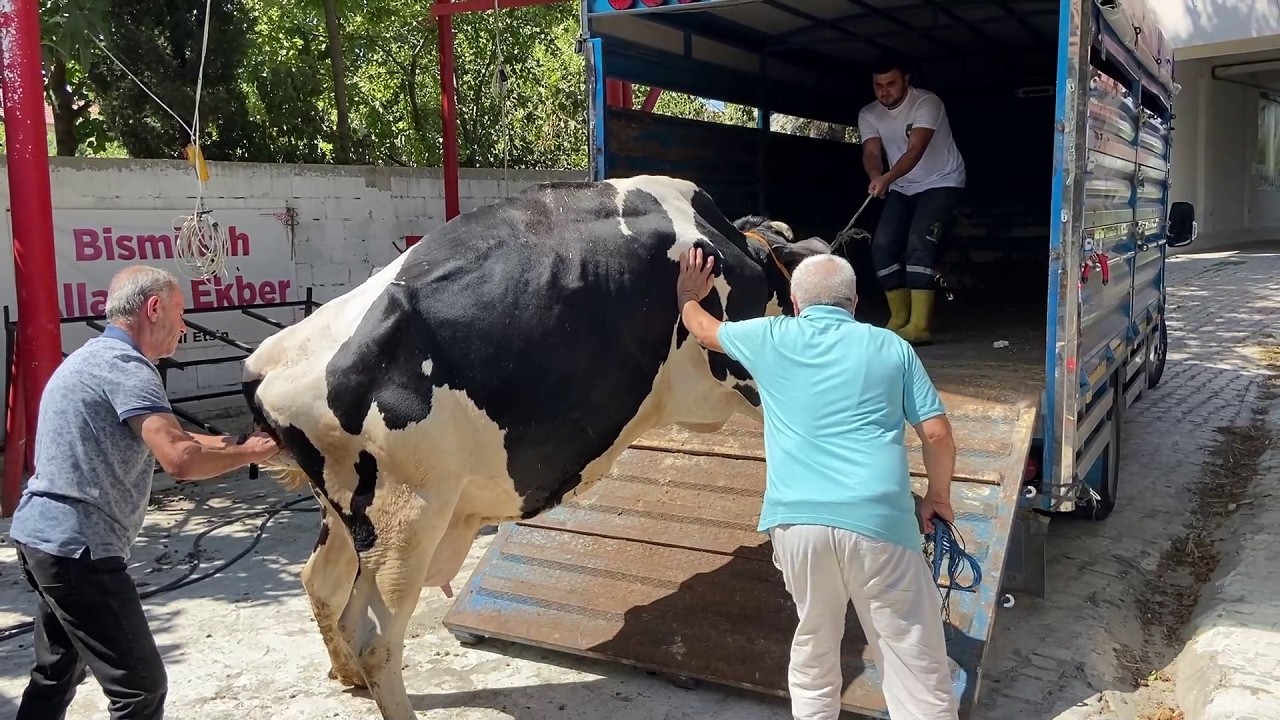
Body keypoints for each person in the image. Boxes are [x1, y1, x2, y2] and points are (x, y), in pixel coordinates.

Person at [675, 247, 959, 720]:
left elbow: (703, 329)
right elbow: (937, 434)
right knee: (913, 656)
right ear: (854, 302)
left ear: (793, 301)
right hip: (881, 524)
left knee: (815, 642)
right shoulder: (891, 347)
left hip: (797, 524)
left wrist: (687, 292)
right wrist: (938, 498)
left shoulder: (770, 336)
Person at [8, 265, 281, 720]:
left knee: (56, 672)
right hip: (81, 551)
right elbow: (180, 459)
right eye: (179, 312)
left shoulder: (91, 358)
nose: (184, 326)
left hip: (42, 540)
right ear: (153, 309)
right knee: (141, 689)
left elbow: (168, 436)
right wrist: (249, 456)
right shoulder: (129, 370)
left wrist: (239, 443)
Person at [858, 54, 966, 345]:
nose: (884, 91)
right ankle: (898, 318)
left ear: (905, 80)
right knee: (881, 245)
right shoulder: (868, 113)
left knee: (919, 242)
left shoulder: (927, 103)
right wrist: (875, 176)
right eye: (878, 85)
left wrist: (887, 179)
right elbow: (871, 153)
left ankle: (919, 326)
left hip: (942, 180)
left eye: (891, 83)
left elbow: (915, 149)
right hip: (902, 186)